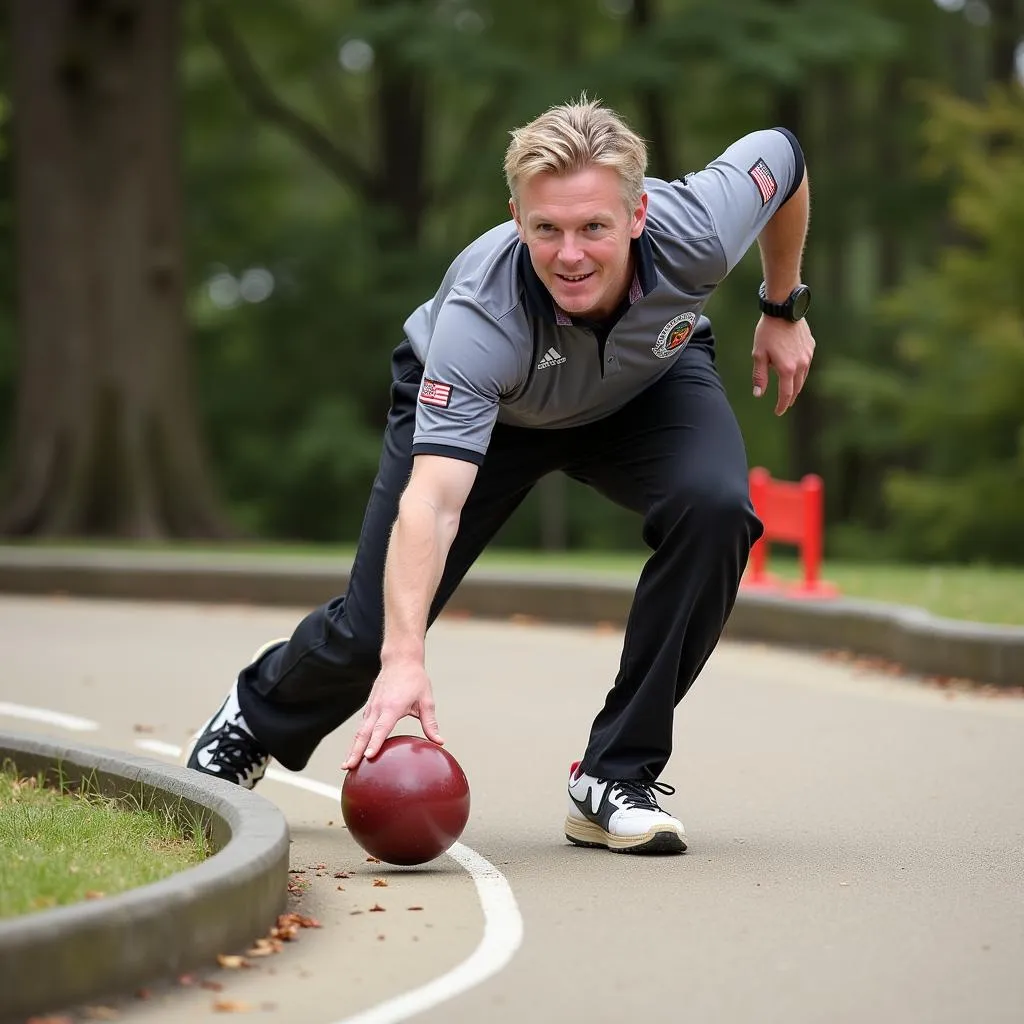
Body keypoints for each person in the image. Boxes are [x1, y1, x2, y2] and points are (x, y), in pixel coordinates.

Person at [184, 96, 815, 855]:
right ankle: (256, 714)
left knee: (716, 509)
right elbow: (435, 503)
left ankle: (613, 777)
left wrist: (782, 305)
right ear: (516, 218)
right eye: (546, 229)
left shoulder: (701, 225)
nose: (570, 254)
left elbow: (783, 156)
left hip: (646, 386)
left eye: (593, 228)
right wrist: (405, 659)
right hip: (498, 415)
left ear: (639, 214)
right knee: (375, 631)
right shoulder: (480, 319)